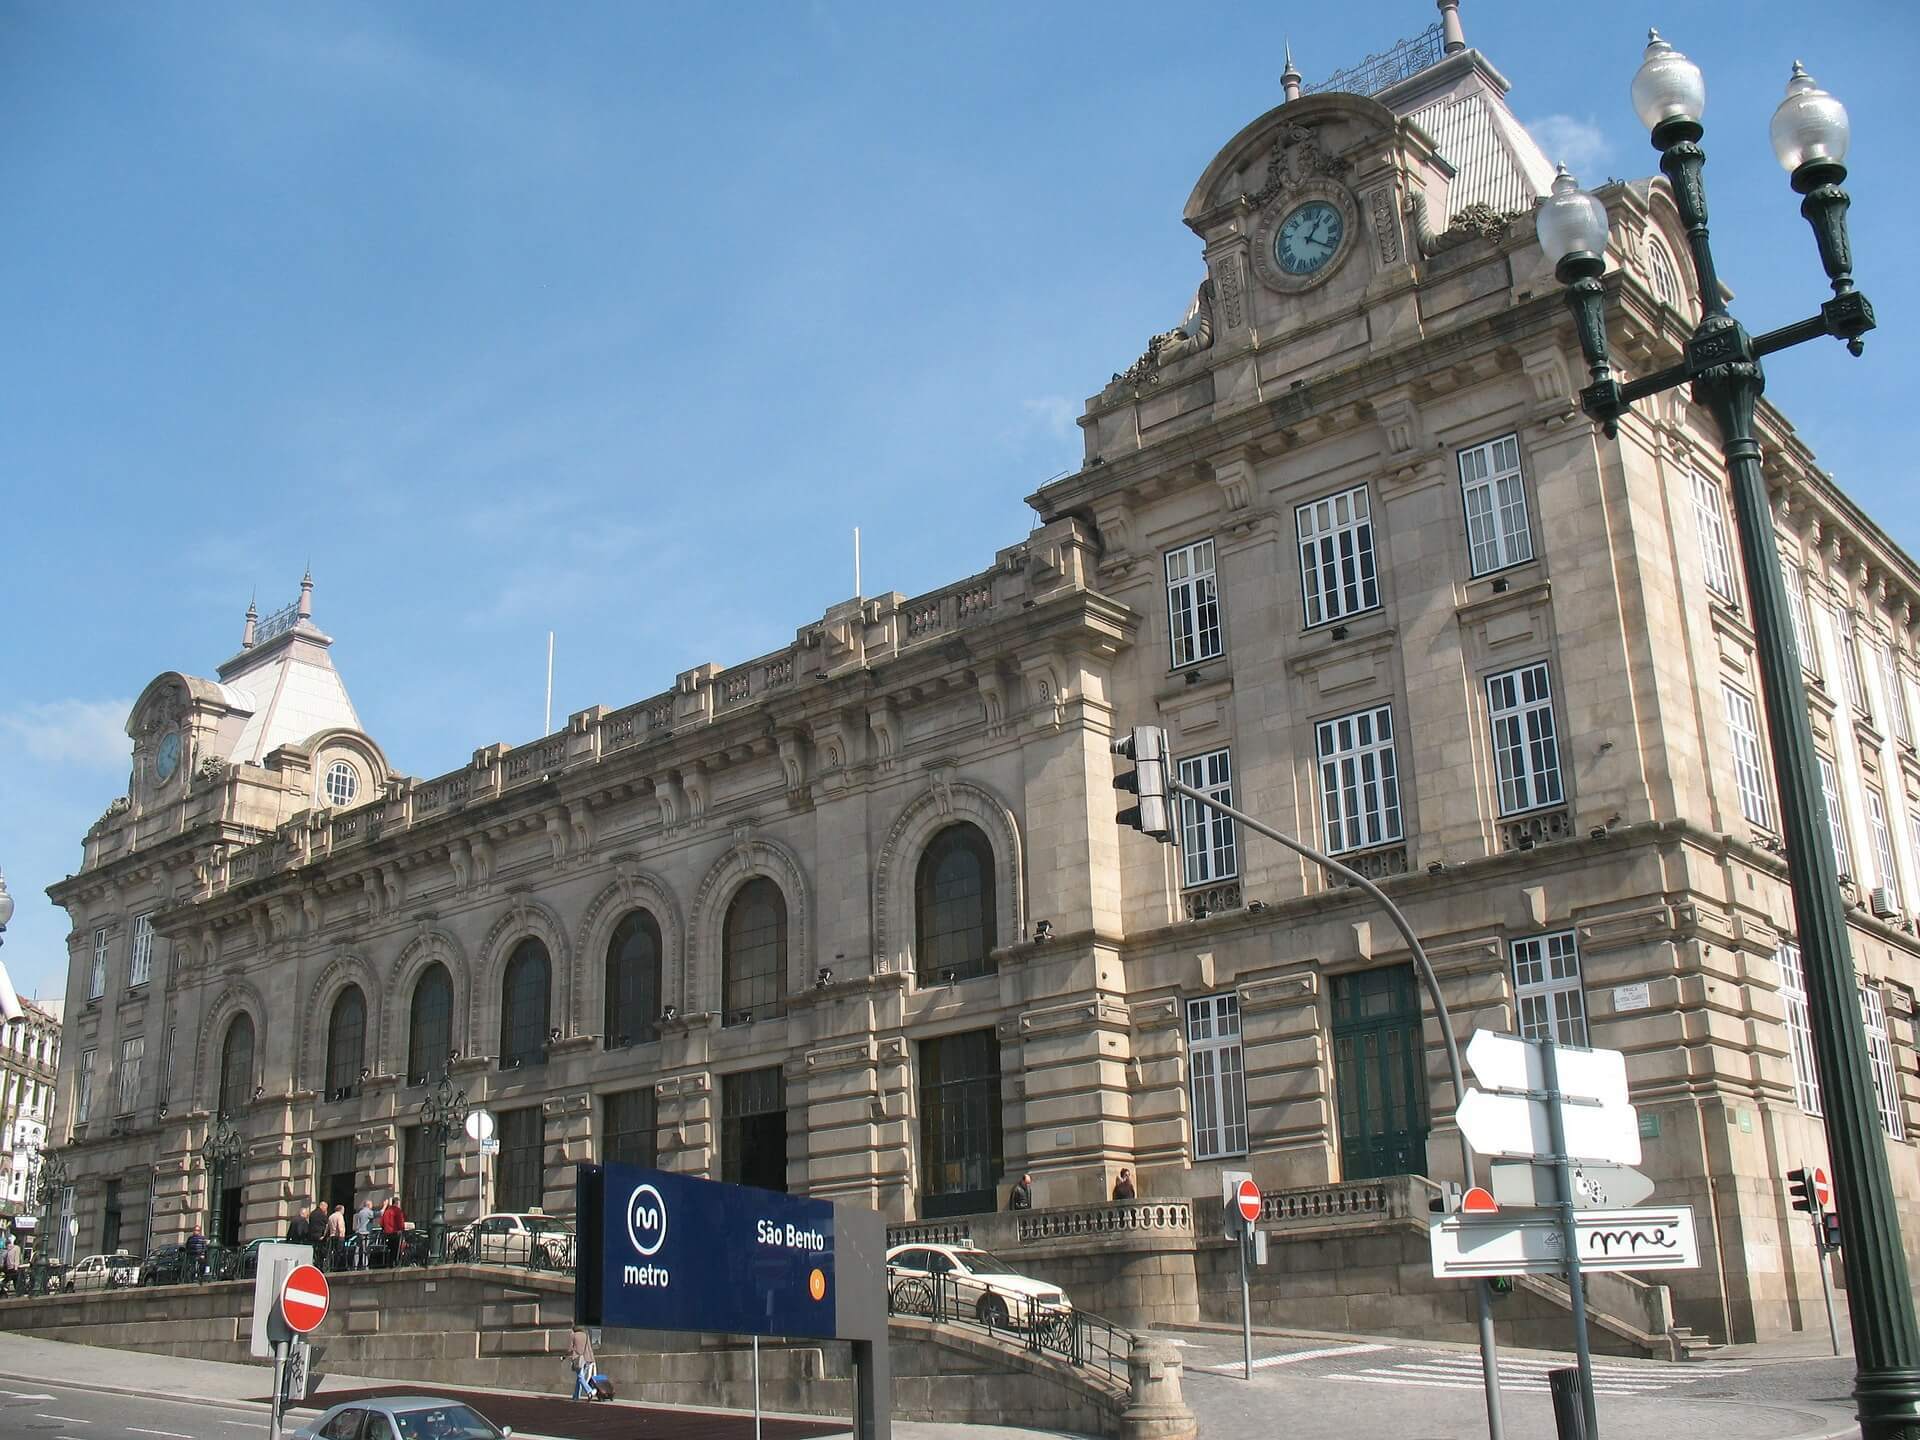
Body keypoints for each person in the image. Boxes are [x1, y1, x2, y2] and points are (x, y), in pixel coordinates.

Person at [565, 1325, 597, 1401]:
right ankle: (576, 1396)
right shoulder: (585, 1335)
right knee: (580, 1378)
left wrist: (564, 1356)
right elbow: (589, 1347)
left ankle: (589, 1391)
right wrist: (592, 1359)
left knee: (580, 1377)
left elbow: (570, 1348)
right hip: (586, 1359)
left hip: (578, 1358)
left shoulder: (573, 1335)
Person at [380, 1195, 406, 1267]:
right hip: (395, 1233)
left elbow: (381, 1223)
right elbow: (400, 1222)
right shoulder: (397, 1211)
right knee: (396, 1249)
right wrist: (402, 1229)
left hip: (387, 1233)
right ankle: (395, 1263)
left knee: (390, 1249)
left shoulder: (387, 1211)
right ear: (397, 1203)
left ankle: (389, 1263)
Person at [352, 1198, 375, 1269]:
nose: (372, 1206)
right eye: (371, 1205)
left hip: (358, 1232)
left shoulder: (360, 1212)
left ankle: (355, 1265)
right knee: (365, 1249)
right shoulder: (368, 1211)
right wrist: (384, 1206)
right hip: (365, 1233)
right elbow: (377, 1214)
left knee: (357, 1250)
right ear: (368, 1205)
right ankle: (365, 1265)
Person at [325, 1200, 347, 1269]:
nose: (344, 1212)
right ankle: (337, 1267)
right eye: (343, 1210)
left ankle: (332, 1266)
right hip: (339, 1236)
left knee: (332, 1253)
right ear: (340, 1210)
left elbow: (327, 1227)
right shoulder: (339, 1216)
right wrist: (342, 1235)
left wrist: (324, 1235)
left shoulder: (331, 1216)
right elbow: (340, 1226)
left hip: (332, 1236)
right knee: (339, 1253)